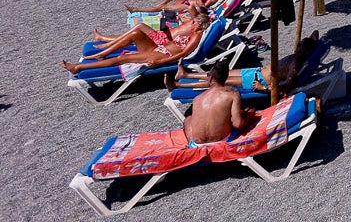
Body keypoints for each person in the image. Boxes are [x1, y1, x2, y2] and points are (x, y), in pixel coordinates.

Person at [166, 30, 321, 95]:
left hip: (257, 80)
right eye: (299, 45)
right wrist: (315, 41)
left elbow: (287, 88)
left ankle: (178, 85)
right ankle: (186, 74)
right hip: (255, 71)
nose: (298, 47)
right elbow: (315, 35)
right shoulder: (298, 57)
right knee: (218, 73)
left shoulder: (295, 68)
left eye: (301, 47)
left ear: (307, 52)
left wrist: (264, 88)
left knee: (219, 80)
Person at [62, 13, 209, 74]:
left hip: (162, 55)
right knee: (136, 34)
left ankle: (78, 67)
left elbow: (182, 54)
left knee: (122, 59)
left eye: (195, 21)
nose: (192, 22)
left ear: (200, 25)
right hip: (160, 48)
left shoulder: (196, 36)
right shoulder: (192, 32)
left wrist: (161, 61)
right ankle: (103, 53)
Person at [183, 62, 250, 147]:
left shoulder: (197, 99)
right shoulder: (233, 93)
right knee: (249, 110)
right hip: (223, 140)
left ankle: (190, 145)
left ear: (210, 78)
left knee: (188, 119)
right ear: (225, 78)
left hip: (197, 145)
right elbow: (237, 124)